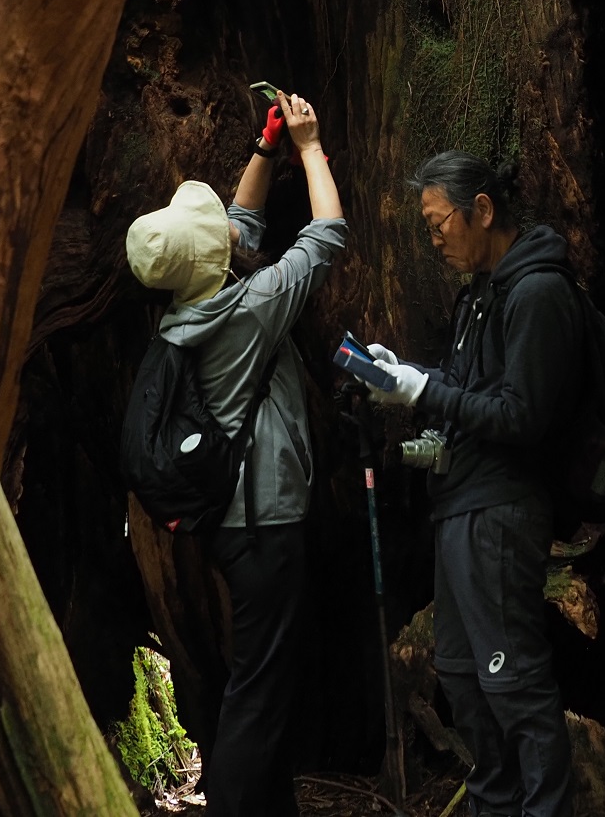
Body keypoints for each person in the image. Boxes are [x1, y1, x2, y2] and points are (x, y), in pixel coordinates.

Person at [124, 91, 344, 817]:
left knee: (266, 681)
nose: (226, 220)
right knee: (258, 690)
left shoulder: (187, 304)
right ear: (211, 258)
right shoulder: (248, 310)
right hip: (265, 523)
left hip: (235, 525)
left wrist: (265, 146)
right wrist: (310, 148)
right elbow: (327, 238)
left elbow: (240, 224)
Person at [366, 152, 581, 817]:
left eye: (439, 225)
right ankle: (494, 805)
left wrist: (426, 392)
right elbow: (469, 394)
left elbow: (523, 415)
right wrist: (405, 385)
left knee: (512, 679)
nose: (435, 241)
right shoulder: (480, 297)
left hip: (501, 511)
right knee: (461, 675)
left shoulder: (537, 293)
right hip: (460, 505)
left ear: (482, 210)